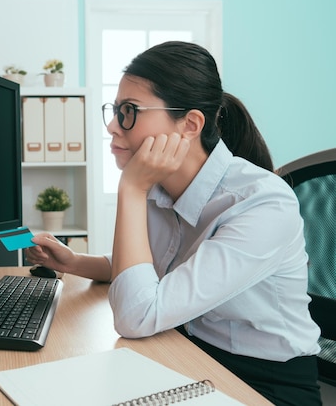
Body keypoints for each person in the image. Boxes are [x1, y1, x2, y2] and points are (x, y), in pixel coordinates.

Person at [25, 41, 322, 405]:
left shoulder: (262, 203)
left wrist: (131, 189)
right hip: (191, 355)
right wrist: (74, 262)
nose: (112, 126)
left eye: (129, 111)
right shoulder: (161, 188)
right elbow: (151, 269)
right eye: (115, 110)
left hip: (265, 384)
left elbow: (138, 313)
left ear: (191, 124)